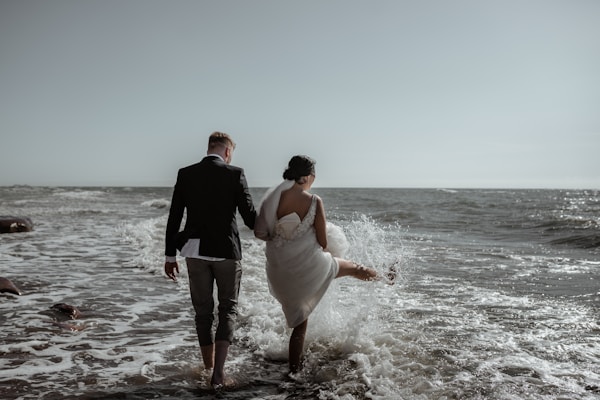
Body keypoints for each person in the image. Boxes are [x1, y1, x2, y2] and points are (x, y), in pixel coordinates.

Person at [254, 155, 388, 373]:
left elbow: (261, 232)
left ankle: (293, 371)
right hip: (308, 266)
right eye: (313, 177)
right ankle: (384, 277)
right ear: (308, 176)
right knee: (353, 268)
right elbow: (323, 241)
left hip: (278, 270)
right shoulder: (314, 201)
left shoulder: (274, 197)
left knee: (299, 323)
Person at [164, 131, 256, 388]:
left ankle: (207, 367)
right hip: (227, 252)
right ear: (228, 151)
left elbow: (174, 217)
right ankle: (219, 373)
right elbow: (250, 218)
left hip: (194, 252)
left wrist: (169, 255)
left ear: (209, 148)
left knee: (203, 313)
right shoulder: (235, 173)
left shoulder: (186, 173)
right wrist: (275, 228)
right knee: (228, 309)